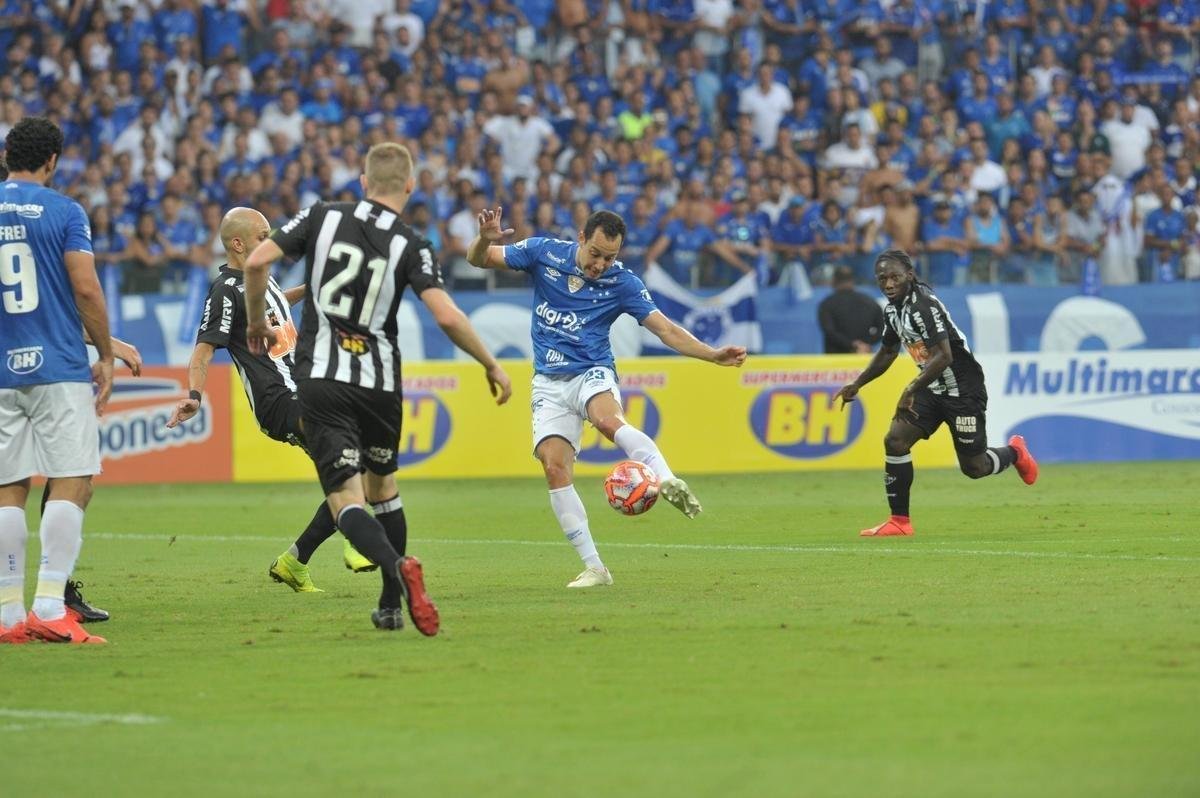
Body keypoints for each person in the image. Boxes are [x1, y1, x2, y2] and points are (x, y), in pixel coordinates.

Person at [241, 142, 513, 634]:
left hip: (322, 380)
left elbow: (257, 263)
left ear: (363, 182)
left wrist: (258, 323)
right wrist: (491, 363)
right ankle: (390, 606)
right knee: (384, 491)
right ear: (410, 186)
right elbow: (447, 315)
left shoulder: (322, 217)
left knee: (346, 500)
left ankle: (397, 571)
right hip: (380, 385)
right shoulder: (413, 244)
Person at [465, 207, 748, 588]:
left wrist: (712, 354)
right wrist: (486, 237)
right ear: (580, 238)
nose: (600, 264)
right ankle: (596, 568)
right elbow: (480, 259)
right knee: (554, 468)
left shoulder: (623, 283)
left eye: (610, 257)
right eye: (595, 253)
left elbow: (665, 329)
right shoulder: (543, 252)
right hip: (548, 382)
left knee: (606, 419)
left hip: (591, 371)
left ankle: (664, 479)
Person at [165, 206, 377, 593]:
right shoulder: (226, 290)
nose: (272, 240)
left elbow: (279, 304)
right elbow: (202, 352)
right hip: (278, 399)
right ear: (237, 243)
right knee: (346, 458)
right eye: (264, 235)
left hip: (303, 390)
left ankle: (294, 561)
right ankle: (356, 538)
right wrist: (194, 396)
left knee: (354, 465)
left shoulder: (262, 278)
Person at [0, 117, 114, 644]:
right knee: (73, 480)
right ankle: (49, 605)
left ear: (7, 158)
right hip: (58, 368)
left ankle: (7, 615)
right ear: (52, 161)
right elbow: (86, 290)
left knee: (8, 488)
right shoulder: (64, 211)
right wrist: (107, 354)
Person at [834, 249, 1038, 538]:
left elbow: (944, 356)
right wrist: (858, 383)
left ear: (910, 275)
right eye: (882, 279)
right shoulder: (892, 310)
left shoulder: (923, 306)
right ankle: (899, 522)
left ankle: (1016, 453)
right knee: (895, 440)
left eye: (895, 277)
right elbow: (889, 351)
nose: (889, 284)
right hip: (931, 387)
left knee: (974, 467)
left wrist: (909, 389)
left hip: (963, 390)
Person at [817, 265, 884, 354]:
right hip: (863, 357)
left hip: (835, 361)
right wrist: (865, 343)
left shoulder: (827, 304)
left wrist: (852, 344)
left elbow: (829, 331)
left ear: (833, 281)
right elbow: (883, 329)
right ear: (853, 281)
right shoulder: (870, 302)